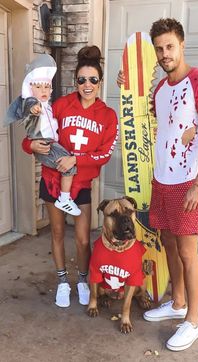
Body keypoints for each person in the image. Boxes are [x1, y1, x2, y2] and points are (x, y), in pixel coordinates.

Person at [117, 18, 198, 351]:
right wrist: (127, 83)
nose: (165, 54)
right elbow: (144, 115)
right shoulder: (161, 90)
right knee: (169, 244)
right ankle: (177, 302)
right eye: (159, 48)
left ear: (182, 44)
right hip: (161, 180)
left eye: (170, 46)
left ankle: (192, 320)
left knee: (189, 253)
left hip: (189, 182)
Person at [22, 46, 119, 308]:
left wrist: (77, 159)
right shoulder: (61, 105)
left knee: (83, 238)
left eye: (93, 80)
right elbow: (35, 133)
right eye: (81, 80)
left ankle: (83, 280)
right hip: (53, 180)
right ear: (75, 81)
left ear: (100, 82)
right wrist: (29, 146)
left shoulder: (108, 115)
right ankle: (63, 281)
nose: (87, 85)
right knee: (55, 232)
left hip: (81, 185)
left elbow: (105, 154)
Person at [6, 54, 81, 217]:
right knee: (70, 166)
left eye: (46, 87)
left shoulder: (49, 106)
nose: (43, 90)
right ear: (30, 89)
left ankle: (64, 197)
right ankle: (65, 198)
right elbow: (30, 107)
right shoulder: (33, 103)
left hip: (50, 143)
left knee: (69, 163)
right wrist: (33, 108)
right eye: (39, 87)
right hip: (45, 144)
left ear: (51, 89)